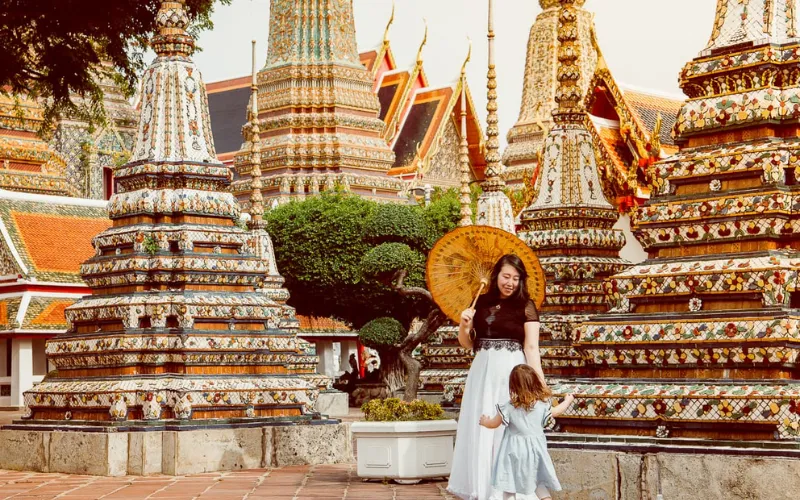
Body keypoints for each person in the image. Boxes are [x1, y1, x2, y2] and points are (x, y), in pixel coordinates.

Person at [447, 254, 546, 500]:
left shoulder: (526, 306)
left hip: (512, 371)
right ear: (496, 276)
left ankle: (509, 490)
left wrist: (540, 385)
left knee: (508, 425)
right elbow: (467, 344)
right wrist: (464, 325)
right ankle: (482, 487)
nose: (510, 282)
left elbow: (531, 348)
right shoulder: (479, 303)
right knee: (481, 424)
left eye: (515, 278)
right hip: (482, 370)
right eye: (506, 276)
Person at [479, 364, 574, 500]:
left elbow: (494, 423)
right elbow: (558, 411)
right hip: (535, 451)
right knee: (537, 482)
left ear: (513, 386)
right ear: (535, 382)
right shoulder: (542, 406)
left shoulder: (509, 407)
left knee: (509, 484)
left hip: (512, 452)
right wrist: (568, 400)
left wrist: (484, 421)